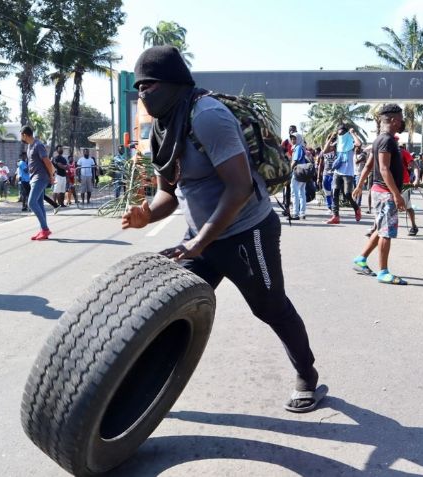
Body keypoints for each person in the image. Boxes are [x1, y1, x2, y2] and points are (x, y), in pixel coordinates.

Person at [122, 46, 325, 413]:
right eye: (138, 87)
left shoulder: (208, 115)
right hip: (200, 240)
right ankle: (141, 393)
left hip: (248, 232)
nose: (142, 94)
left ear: (172, 83)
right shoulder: (162, 129)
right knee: (166, 311)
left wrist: (200, 241)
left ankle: (307, 376)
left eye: (147, 85)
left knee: (270, 307)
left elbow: (240, 186)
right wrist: (146, 216)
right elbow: (167, 194)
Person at [350, 103, 408, 285]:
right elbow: (383, 169)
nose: (401, 123)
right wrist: (397, 195)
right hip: (385, 193)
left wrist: (359, 185)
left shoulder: (380, 140)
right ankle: (384, 272)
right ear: (391, 120)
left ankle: (361, 259)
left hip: (380, 192)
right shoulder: (386, 140)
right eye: (399, 120)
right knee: (386, 232)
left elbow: (369, 165)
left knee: (380, 228)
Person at [21, 125, 55, 239]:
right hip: (33, 178)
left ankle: (45, 229)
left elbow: (47, 162)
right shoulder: (29, 147)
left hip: (40, 178)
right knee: (39, 204)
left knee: (31, 203)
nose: (21, 137)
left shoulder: (38, 145)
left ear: (25, 135)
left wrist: (51, 175)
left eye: (21, 135)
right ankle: (43, 231)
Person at [324, 125, 363, 224]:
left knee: (347, 194)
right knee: (335, 192)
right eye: (339, 133)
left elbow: (359, 143)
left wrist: (353, 133)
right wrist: (331, 138)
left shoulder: (350, 142)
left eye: (342, 133)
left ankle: (356, 208)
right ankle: (335, 216)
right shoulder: (338, 143)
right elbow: (325, 151)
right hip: (337, 172)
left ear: (346, 133)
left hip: (348, 173)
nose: (340, 135)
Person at [399, 143, 420, 236]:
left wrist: (417, 179)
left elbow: (415, 166)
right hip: (389, 184)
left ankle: (414, 226)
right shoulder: (386, 151)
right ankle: (376, 228)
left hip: (403, 183)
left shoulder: (403, 153)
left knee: (407, 207)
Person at [289, 132, 308, 220]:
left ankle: (295, 213)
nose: (293, 140)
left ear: (299, 139)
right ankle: (302, 213)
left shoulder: (298, 147)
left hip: (297, 172)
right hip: (303, 173)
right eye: (292, 138)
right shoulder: (302, 147)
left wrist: (289, 170)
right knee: (301, 193)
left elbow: (295, 160)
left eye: (294, 138)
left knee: (295, 193)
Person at [317, 139, 336, 210]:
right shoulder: (323, 152)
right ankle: (329, 206)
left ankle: (334, 206)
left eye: (332, 142)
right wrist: (318, 177)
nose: (330, 143)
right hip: (326, 174)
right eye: (329, 142)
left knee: (334, 191)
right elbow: (320, 165)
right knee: (327, 191)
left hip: (335, 174)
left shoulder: (337, 151)